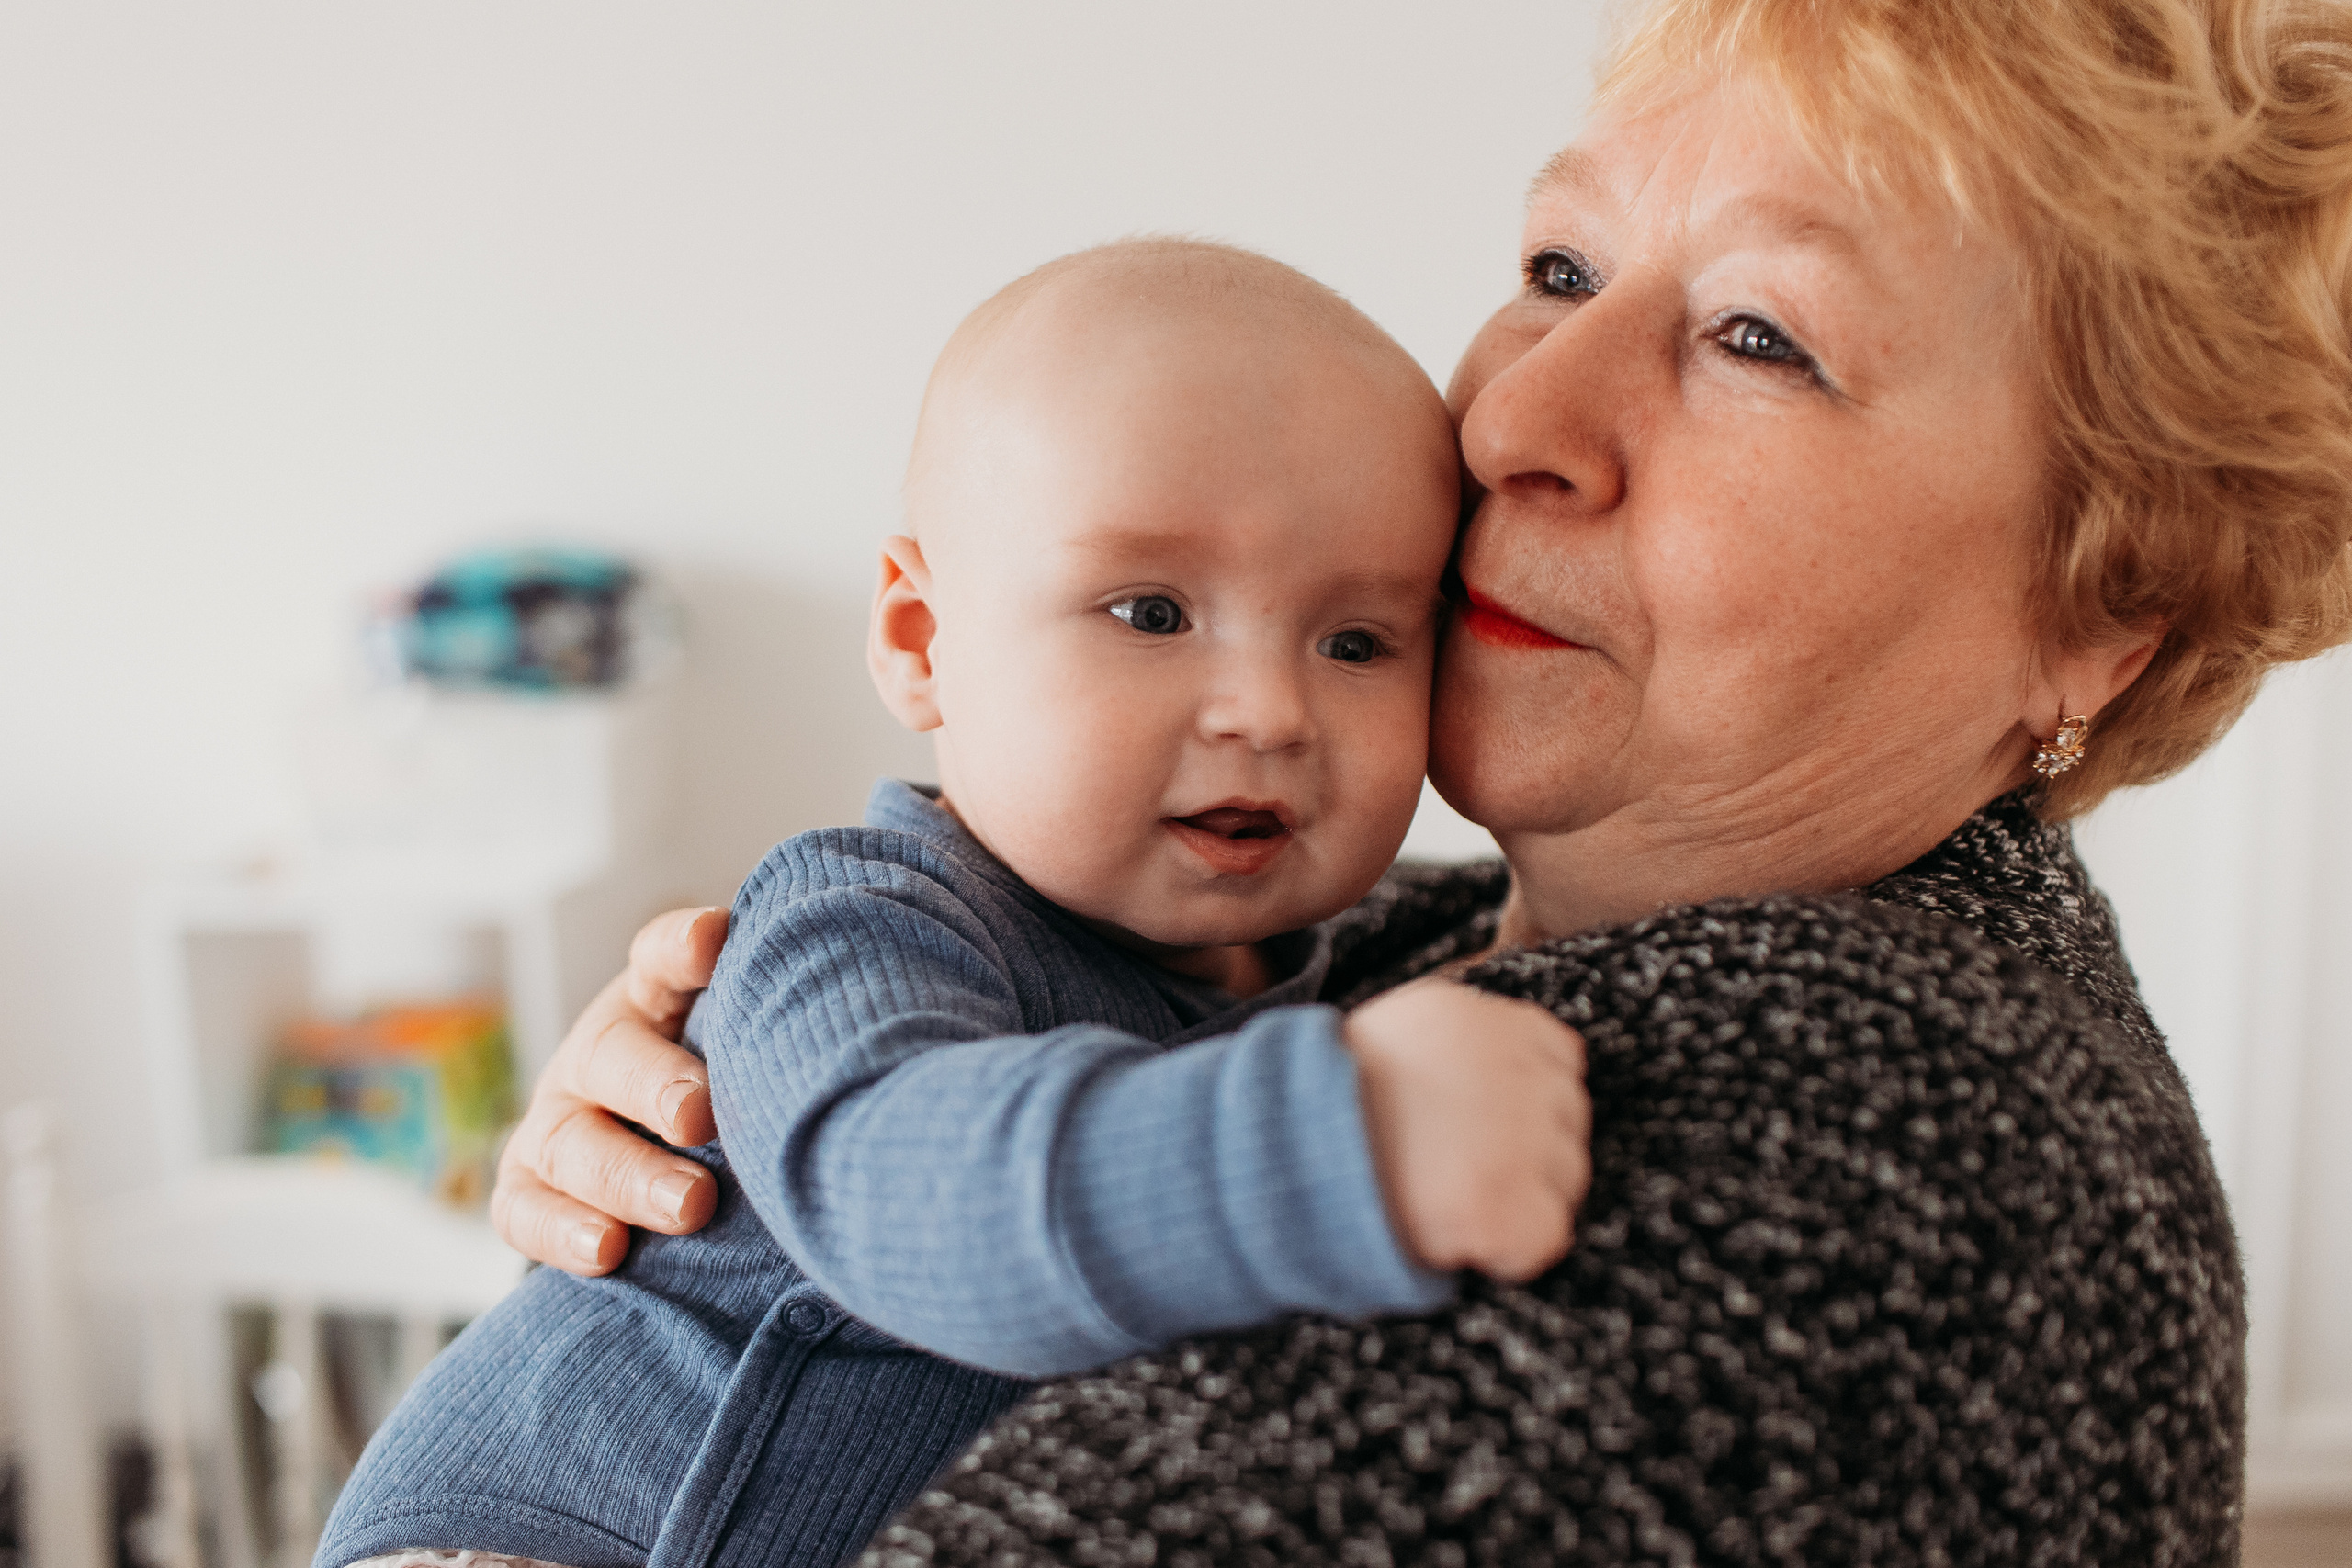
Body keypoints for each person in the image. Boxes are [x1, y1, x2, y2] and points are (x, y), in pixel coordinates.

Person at [497, 0, 2352, 1561]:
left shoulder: (1880, 1178)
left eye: (1757, 339)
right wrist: (706, 1205)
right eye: (1560, 268)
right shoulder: (1387, 928)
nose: (1510, 417)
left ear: (2098, 612)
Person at [319, 243, 1600, 1568]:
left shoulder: (1333, 951)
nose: (1271, 711)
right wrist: (1327, 1142)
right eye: (1152, 611)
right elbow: (902, 1181)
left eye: (1357, 642)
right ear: (923, 641)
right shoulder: (857, 918)